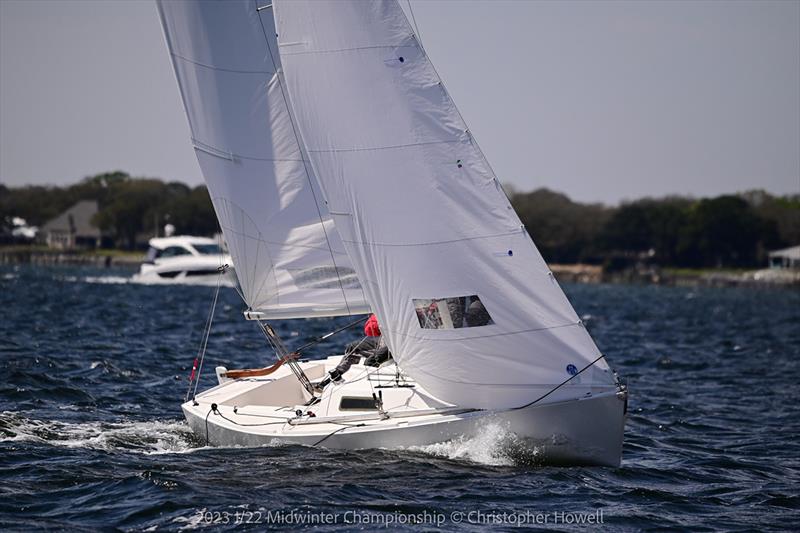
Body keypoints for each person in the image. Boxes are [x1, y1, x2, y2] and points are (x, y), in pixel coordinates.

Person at [313, 314, 392, 392]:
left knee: (370, 361)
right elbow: (369, 330)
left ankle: (368, 390)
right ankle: (337, 374)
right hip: (387, 339)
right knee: (353, 348)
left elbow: (370, 330)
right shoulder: (388, 310)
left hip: (397, 344)